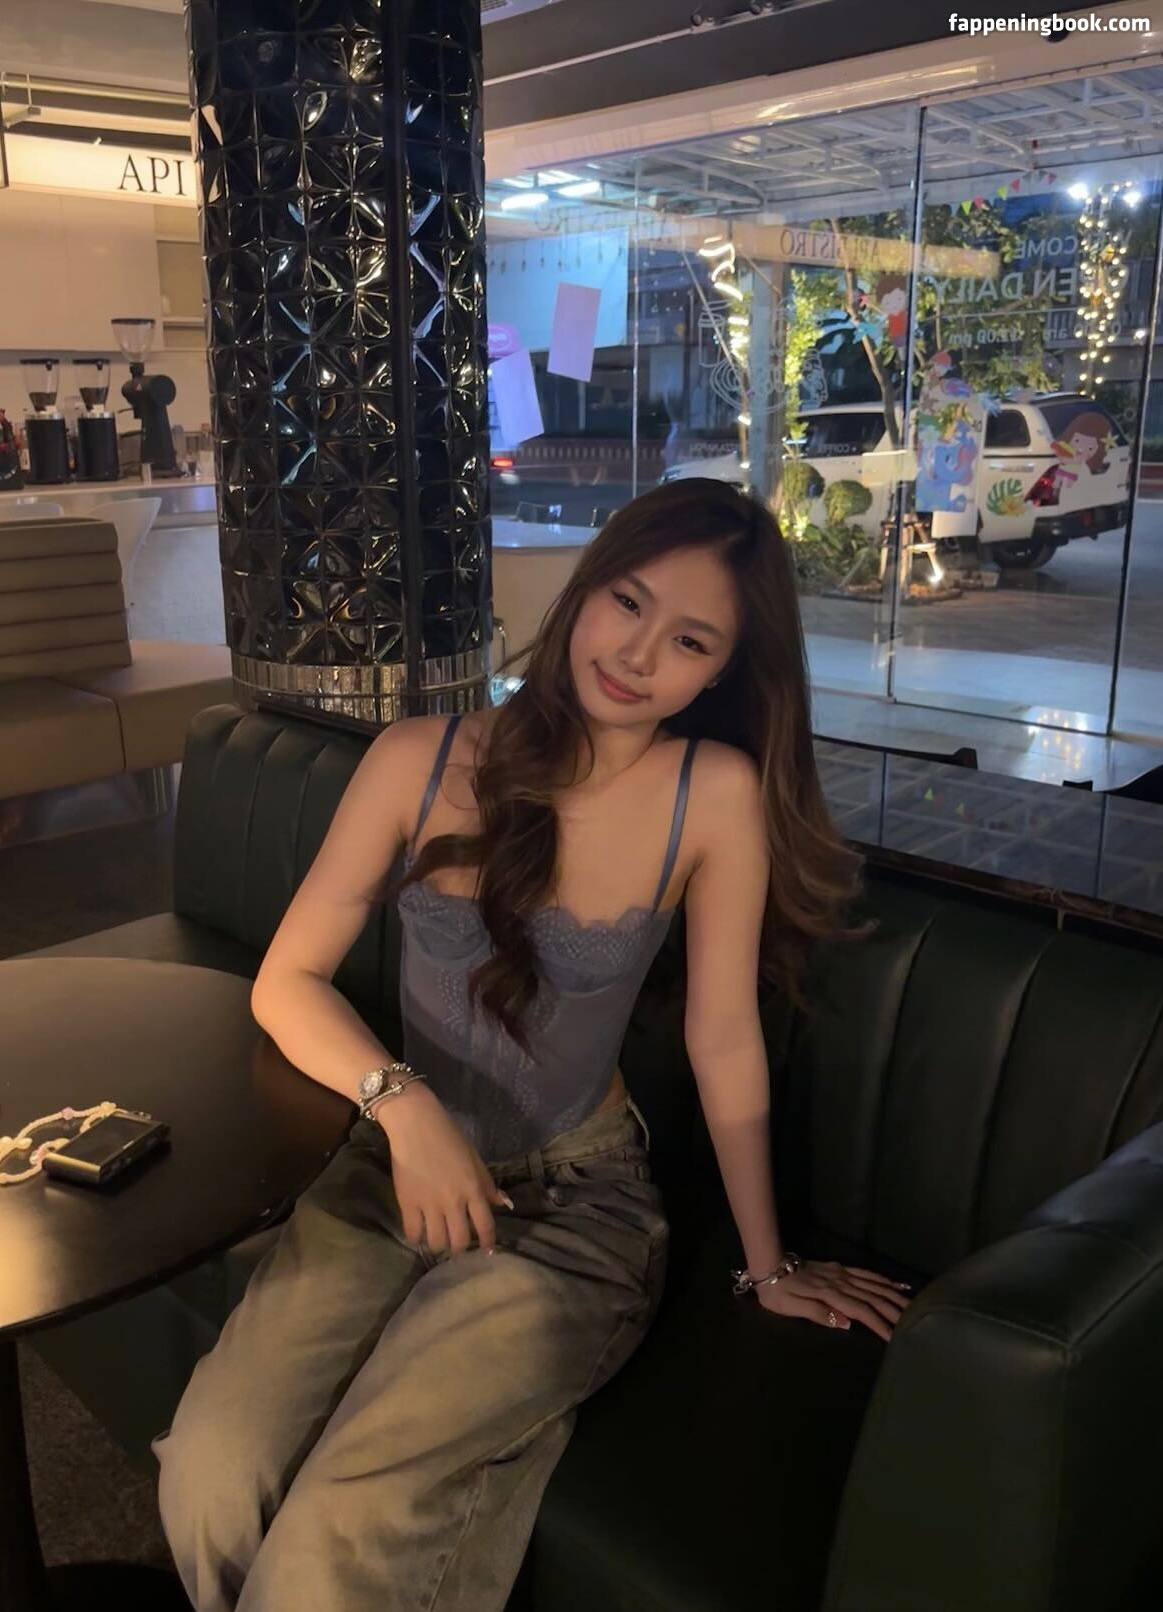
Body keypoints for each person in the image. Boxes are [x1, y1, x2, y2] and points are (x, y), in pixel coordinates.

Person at [154, 478, 912, 1612]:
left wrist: (768, 1265)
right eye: (629, 602)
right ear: (584, 588)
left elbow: (722, 1037)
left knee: (345, 1525)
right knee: (212, 1473)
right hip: (390, 1171)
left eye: (690, 639)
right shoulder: (418, 758)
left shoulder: (712, 794)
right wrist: (404, 1110)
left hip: (574, 1207)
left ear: (722, 672)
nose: (639, 653)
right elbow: (285, 982)